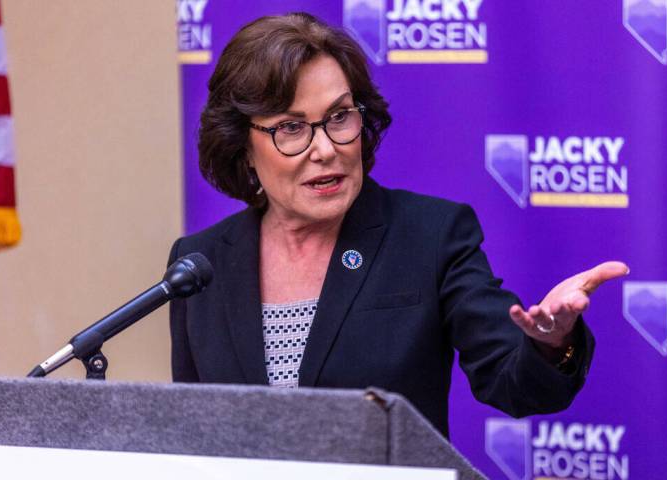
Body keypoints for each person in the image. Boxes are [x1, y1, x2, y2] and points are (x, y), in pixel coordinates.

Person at [168, 12, 628, 438]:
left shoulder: (431, 236)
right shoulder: (200, 264)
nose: (325, 148)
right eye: (291, 127)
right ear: (243, 148)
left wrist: (550, 344)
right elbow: (191, 431)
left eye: (339, 117)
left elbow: (513, 382)